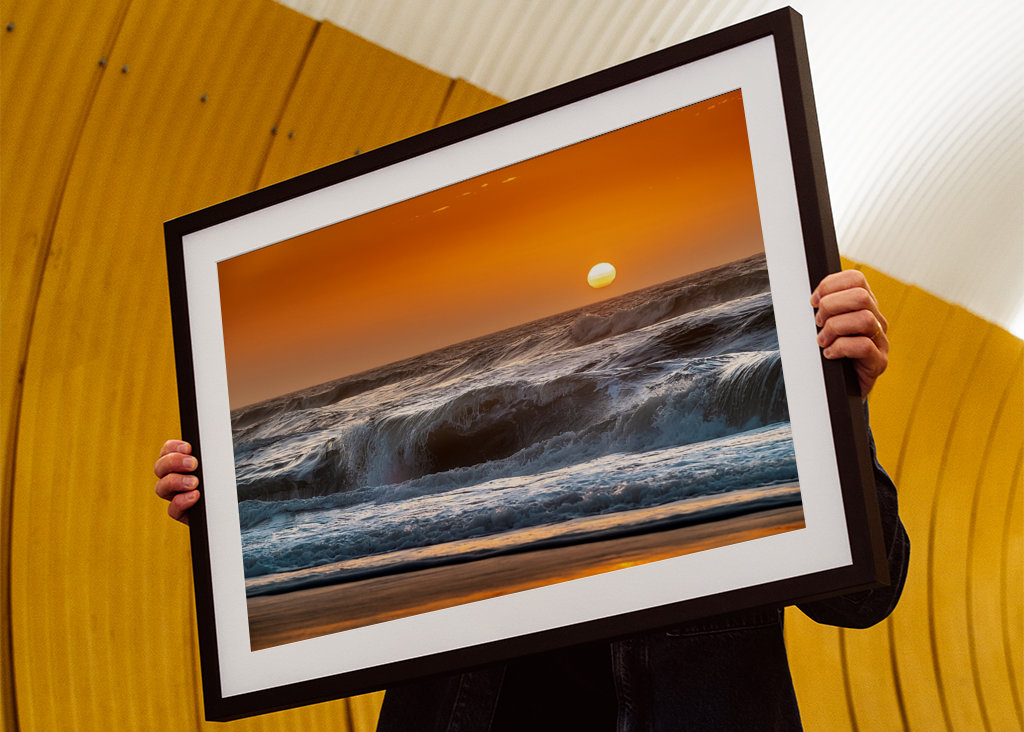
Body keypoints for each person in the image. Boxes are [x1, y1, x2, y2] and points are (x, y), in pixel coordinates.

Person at [155, 270, 908, 731]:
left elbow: (865, 596)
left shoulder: (771, 391)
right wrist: (230, 510)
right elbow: (342, 506)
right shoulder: (441, 504)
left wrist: (837, 402)